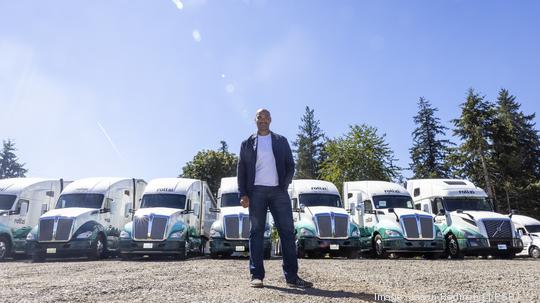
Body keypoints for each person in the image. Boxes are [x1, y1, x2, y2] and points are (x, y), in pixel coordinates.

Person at [237, 108, 313, 289]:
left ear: (270, 120)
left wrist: (283, 186)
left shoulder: (281, 141)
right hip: (256, 192)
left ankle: (292, 277)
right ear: (255, 120)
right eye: (259, 117)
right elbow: (241, 170)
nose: (262, 120)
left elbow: (290, 165)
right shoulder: (246, 143)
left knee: (287, 233)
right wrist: (243, 194)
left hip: (279, 192)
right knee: (256, 233)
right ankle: (257, 276)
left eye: (265, 117)